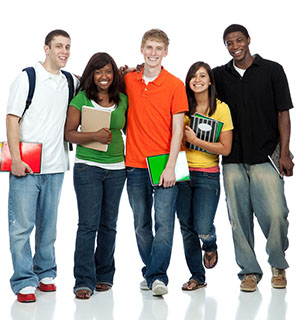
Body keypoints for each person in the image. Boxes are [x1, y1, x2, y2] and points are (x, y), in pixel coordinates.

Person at [213, 24, 294, 292]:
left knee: (276, 213)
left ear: (248, 40)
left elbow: (283, 113)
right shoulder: (219, 76)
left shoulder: (272, 70)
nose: (235, 46)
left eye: (239, 40)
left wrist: (285, 152)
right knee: (238, 218)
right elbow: (194, 87)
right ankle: (248, 271)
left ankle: (277, 264)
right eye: (229, 43)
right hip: (232, 159)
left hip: (265, 156)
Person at [6, 29, 78, 303]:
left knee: (49, 225)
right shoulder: (28, 77)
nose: (64, 51)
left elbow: (99, 81)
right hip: (26, 164)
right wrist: (16, 159)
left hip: (56, 165)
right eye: (59, 46)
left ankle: (45, 271)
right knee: (21, 225)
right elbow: (12, 119)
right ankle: (24, 280)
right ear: (46, 48)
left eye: (68, 47)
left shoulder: (71, 81)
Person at [124, 29, 188, 296]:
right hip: (135, 163)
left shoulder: (175, 85)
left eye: (158, 49)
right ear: (141, 49)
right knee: (141, 223)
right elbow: (100, 82)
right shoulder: (128, 80)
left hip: (165, 163)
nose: (153, 53)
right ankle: (152, 271)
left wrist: (171, 166)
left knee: (164, 222)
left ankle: (157, 276)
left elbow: (178, 130)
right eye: (149, 48)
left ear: (166, 52)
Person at [64, 52, 128, 300]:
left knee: (108, 226)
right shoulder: (81, 100)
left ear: (114, 74)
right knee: (88, 226)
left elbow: (129, 128)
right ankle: (83, 280)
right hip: (87, 168)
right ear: (91, 74)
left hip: (117, 170)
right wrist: (94, 136)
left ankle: (104, 276)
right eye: (99, 72)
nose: (104, 77)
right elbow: (69, 133)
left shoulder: (122, 99)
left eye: (109, 71)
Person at [176, 61, 233, 291]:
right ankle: (197, 277)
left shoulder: (221, 109)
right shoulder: (182, 106)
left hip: (207, 174)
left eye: (202, 76)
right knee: (186, 228)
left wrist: (196, 141)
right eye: (193, 76)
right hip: (182, 173)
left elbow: (225, 148)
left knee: (202, 227)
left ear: (210, 80)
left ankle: (210, 244)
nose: (197, 80)